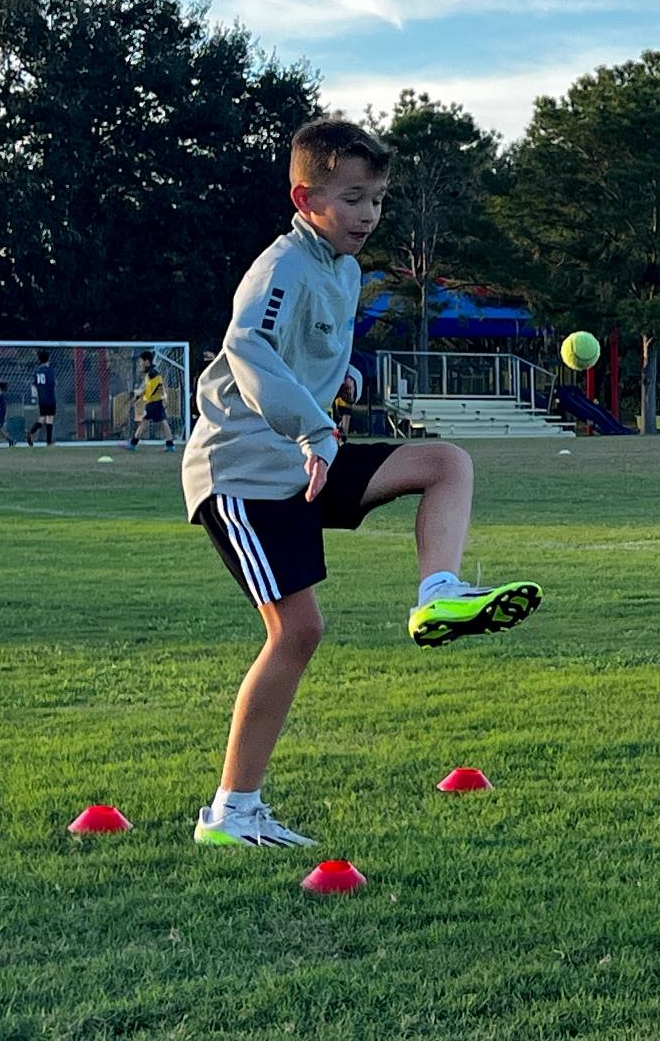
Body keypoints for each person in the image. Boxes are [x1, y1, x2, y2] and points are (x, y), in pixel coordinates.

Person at [182, 118, 543, 850]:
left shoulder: (344, 271)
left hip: (304, 458)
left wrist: (338, 378)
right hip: (245, 470)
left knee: (446, 463)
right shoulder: (283, 265)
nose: (368, 215)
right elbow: (247, 346)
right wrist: (313, 428)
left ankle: (438, 595)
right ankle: (231, 815)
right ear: (305, 198)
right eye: (352, 199)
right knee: (297, 632)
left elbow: (304, 352)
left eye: (377, 199)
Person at [126, 352, 176, 452]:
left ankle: (133, 444)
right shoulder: (150, 374)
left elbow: (159, 386)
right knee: (157, 422)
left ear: (146, 361)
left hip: (154, 403)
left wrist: (163, 399)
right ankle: (170, 445)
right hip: (153, 402)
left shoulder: (153, 373)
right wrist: (137, 397)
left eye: (140, 361)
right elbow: (147, 389)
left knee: (147, 423)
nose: (139, 363)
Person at [27, 349, 57, 445]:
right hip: (50, 398)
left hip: (42, 399)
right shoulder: (49, 370)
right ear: (48, 359)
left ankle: (31, 432)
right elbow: (52, 383)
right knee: (50, 418)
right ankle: (48, 441)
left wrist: (34, 397)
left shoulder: (37, 371)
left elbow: (34, 385)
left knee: (42, 418)